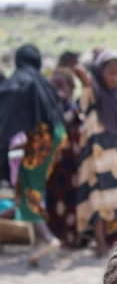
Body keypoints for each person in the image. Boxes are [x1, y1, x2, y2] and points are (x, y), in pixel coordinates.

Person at [0, 44, 68, 265]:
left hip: (41, 140)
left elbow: (8, 97)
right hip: (56, 135)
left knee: (28, 188)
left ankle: (48, 238)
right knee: (27, 185)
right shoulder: (41, 80)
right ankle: (40, 240)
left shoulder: (22, 78)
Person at [74, 49, 117, 256]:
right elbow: (79, 71)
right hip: (96, 157)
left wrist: (115, 59)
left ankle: (107, 242)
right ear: (99, 71)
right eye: (110, 72)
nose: (115, 78)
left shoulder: (115, 94)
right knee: (97, 200)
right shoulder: (93, 90)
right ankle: (100, 245)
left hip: (113, 156)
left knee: (113, 200)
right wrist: (93, 61)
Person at [45, 66, 84, 249]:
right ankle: (56, 238)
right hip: (53, 163)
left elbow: (65, 121)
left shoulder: (73, 108)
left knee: (71, 200)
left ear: (70, 87)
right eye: (53, 85)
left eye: (61, 85)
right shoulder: (49, 109)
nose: (57, 89)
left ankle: (72, 239)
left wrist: (60, 102)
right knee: (53, 199)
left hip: (70, 163)